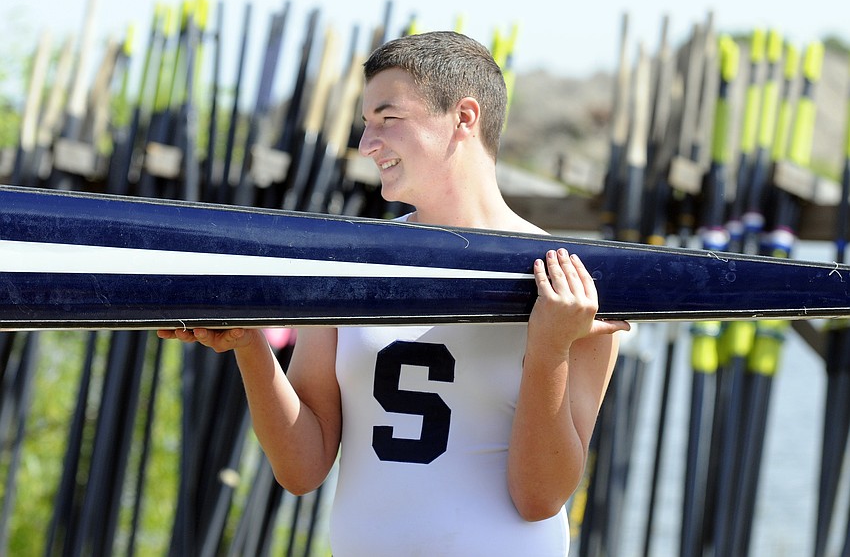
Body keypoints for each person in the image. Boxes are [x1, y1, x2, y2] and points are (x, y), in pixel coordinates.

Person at [158, 30, 630, 556]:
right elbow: (301, 467)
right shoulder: (348, 265)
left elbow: (539, 498)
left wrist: (549, 348)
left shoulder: (573, 287)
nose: (366, 144)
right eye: (365, 125)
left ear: (464, 118)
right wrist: (249, 344)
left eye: (388, 119)